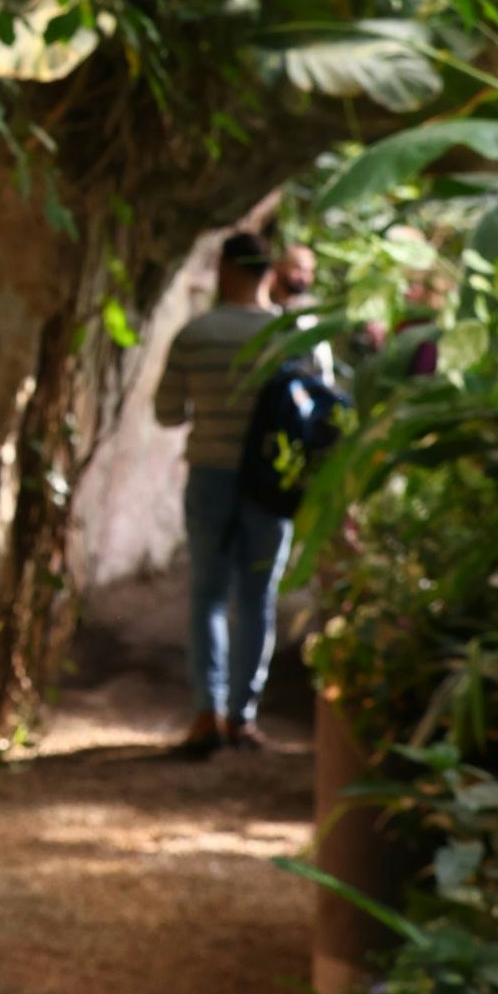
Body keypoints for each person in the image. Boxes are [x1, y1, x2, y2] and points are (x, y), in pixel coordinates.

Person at [154, 228, 292, 755]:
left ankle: (205, 713)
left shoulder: (197, 334)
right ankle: (243, 717)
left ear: (227, 270)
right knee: (258, 599)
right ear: (269, 272)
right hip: (270, 483)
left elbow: (167, 413)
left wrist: (207, 410)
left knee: (208, 596)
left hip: (210, 473)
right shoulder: (294, 335)